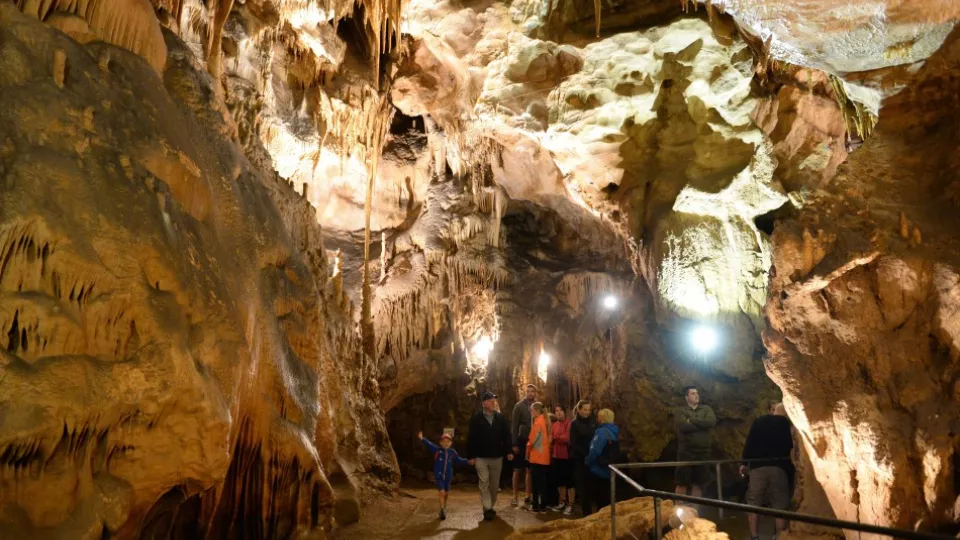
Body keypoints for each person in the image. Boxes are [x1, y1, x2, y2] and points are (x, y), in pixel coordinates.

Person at [739, 402, 794, 540]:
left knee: (754, 503)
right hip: (780, 468)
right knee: (780, 505)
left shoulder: (759, 421)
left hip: (758, 467)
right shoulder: (789, 425)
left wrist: (745, 463)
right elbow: (793, 447)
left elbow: (750, 443)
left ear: (774, 411)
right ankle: (779, 536)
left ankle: (754, 537)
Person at [466, 391, 514, 521]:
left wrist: (509, 451)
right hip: (481, 457)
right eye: (491, 400)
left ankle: (490, 506)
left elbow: (507, 436)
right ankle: (487, 507)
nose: (494, 402)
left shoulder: (500, 418)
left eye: (494, 400)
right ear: (484, 403)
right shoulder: (476, 418)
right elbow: (472, 438)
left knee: (494, 485)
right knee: (484, 482)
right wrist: (471, 456)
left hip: (497, 457)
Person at [418, 431, 473, 520]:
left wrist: (468, 461)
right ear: (440, 443)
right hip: (439, 475)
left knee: (446, 493)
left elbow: (459, 460)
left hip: (448, 476)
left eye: (448, 442)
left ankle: (444, 506)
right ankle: (442, 510)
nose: (445, 443)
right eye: (443, 442)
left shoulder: (452, 452)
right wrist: (422, 438)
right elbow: (429, 444)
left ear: (451, 443)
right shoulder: (437, 450)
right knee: (442, 492)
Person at [674, 385, 716, 497]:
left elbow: (711, 422)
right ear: (686, 397)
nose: (696, 395)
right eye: (693, 393)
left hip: (703, 453)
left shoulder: (706, 409)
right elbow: (683, 426)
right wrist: (702, 424)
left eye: (697, 393)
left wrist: (691, 420)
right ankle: (679, 511)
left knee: (699, 483)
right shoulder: (680, 411)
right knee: (681, 482)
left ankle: (694, 511)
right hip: (686, 453)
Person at [585, 408, 619, 513]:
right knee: (607, 496)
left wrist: (588, 461)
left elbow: (594, 450)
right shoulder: (614, 431)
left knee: (599, 498)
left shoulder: (601, 432)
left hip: (598, 469)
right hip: (609, 469)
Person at [511, 384, 537, 508]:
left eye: (532, 391)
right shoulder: (519, 406)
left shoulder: (538, 406)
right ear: (525, 392)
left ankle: (528, 495)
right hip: (521, 441)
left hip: (533, 441)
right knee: (517, 469)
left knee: (529, 470)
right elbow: (514, 426)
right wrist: (514, 443)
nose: (530, 393)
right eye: (528, 391)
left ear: (535, 393)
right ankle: (515, 496)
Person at [569, 399, 596, 516]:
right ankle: (586, 512)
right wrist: (585, 454)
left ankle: (592, 511)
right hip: (581, 459)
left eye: (589, 410)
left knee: (591, 485)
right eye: (585, 410)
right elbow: (573, 443)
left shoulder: (592, 422)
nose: (587, 412)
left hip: (592, 458)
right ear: (579, 410)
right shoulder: (574, 424)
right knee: (583, 486)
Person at [526, 402, 552, 513]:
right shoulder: (546, 421)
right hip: (544, 456)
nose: (531, 413)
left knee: (536, 483)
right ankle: (542, 505)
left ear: (536, 410)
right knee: (543, 482)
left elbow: (532, 440)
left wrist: (527, 452)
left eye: (531, 411)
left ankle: (537, 505)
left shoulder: (538, 423)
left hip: (537, 456)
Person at [549, 404, 574, 514]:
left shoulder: (569, 424)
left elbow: (567, 438)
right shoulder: (554, 425)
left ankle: (571, 504)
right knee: (559, 481)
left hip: (566, 456)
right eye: (556, 411)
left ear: (564, 412)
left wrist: (555, 438)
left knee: (569, 481)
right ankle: (562, 501)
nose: (558, 413)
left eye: (560, 410)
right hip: (556, 455)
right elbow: (550, 438)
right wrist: (556, 438)